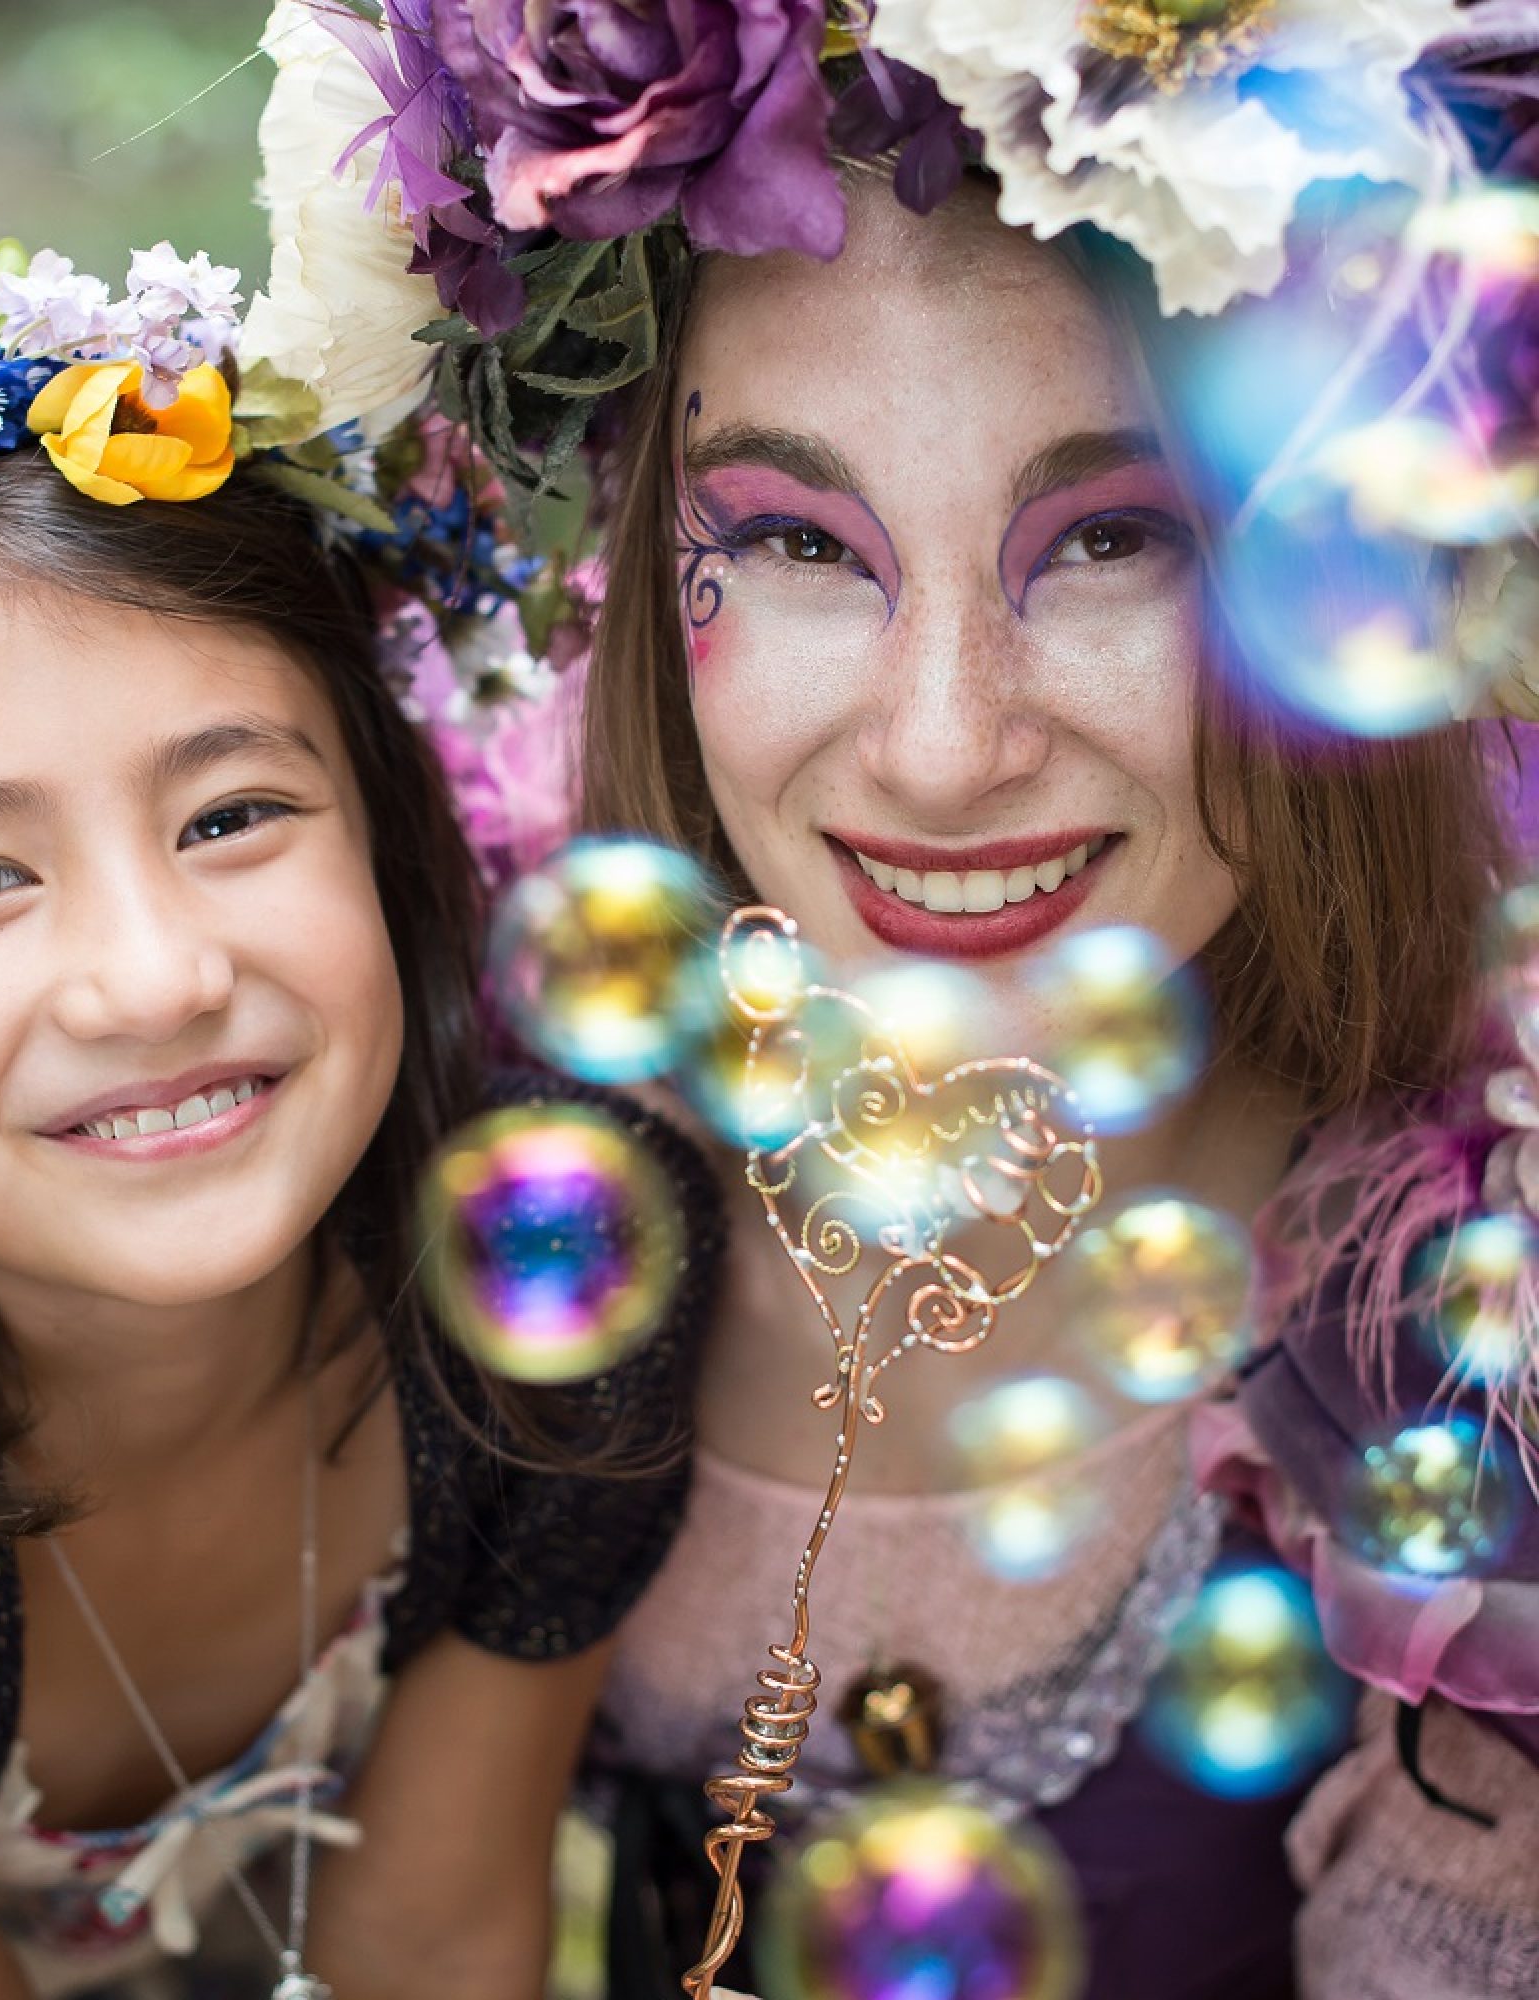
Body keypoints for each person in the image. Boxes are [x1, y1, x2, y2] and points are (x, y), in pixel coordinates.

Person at [368, 4, 1539, 1995]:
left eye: (1114, 538)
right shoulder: (457, 1083)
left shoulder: (1476, 1330)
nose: (939, 749)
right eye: (796, 541)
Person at [0, 173, 719, 2000]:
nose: (158, 976)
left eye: (231, 816)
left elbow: (438, 1934)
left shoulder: (558, 1269)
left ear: (390, 834)